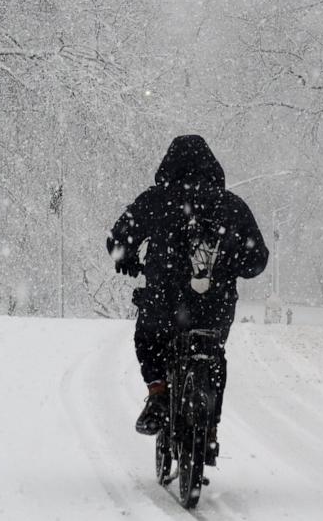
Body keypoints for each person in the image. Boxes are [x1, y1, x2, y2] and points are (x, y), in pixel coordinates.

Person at [107, 135, 268, 459]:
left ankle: (157, 392)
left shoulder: (156, 200)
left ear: (168, 165)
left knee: (148, 337)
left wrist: (127, 259)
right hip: (215, 305)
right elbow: (257, 260)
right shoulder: (231, 205)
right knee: (214, 355)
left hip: (165, 302)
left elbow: (119, 239)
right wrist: (233, 264)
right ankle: (209, 428)